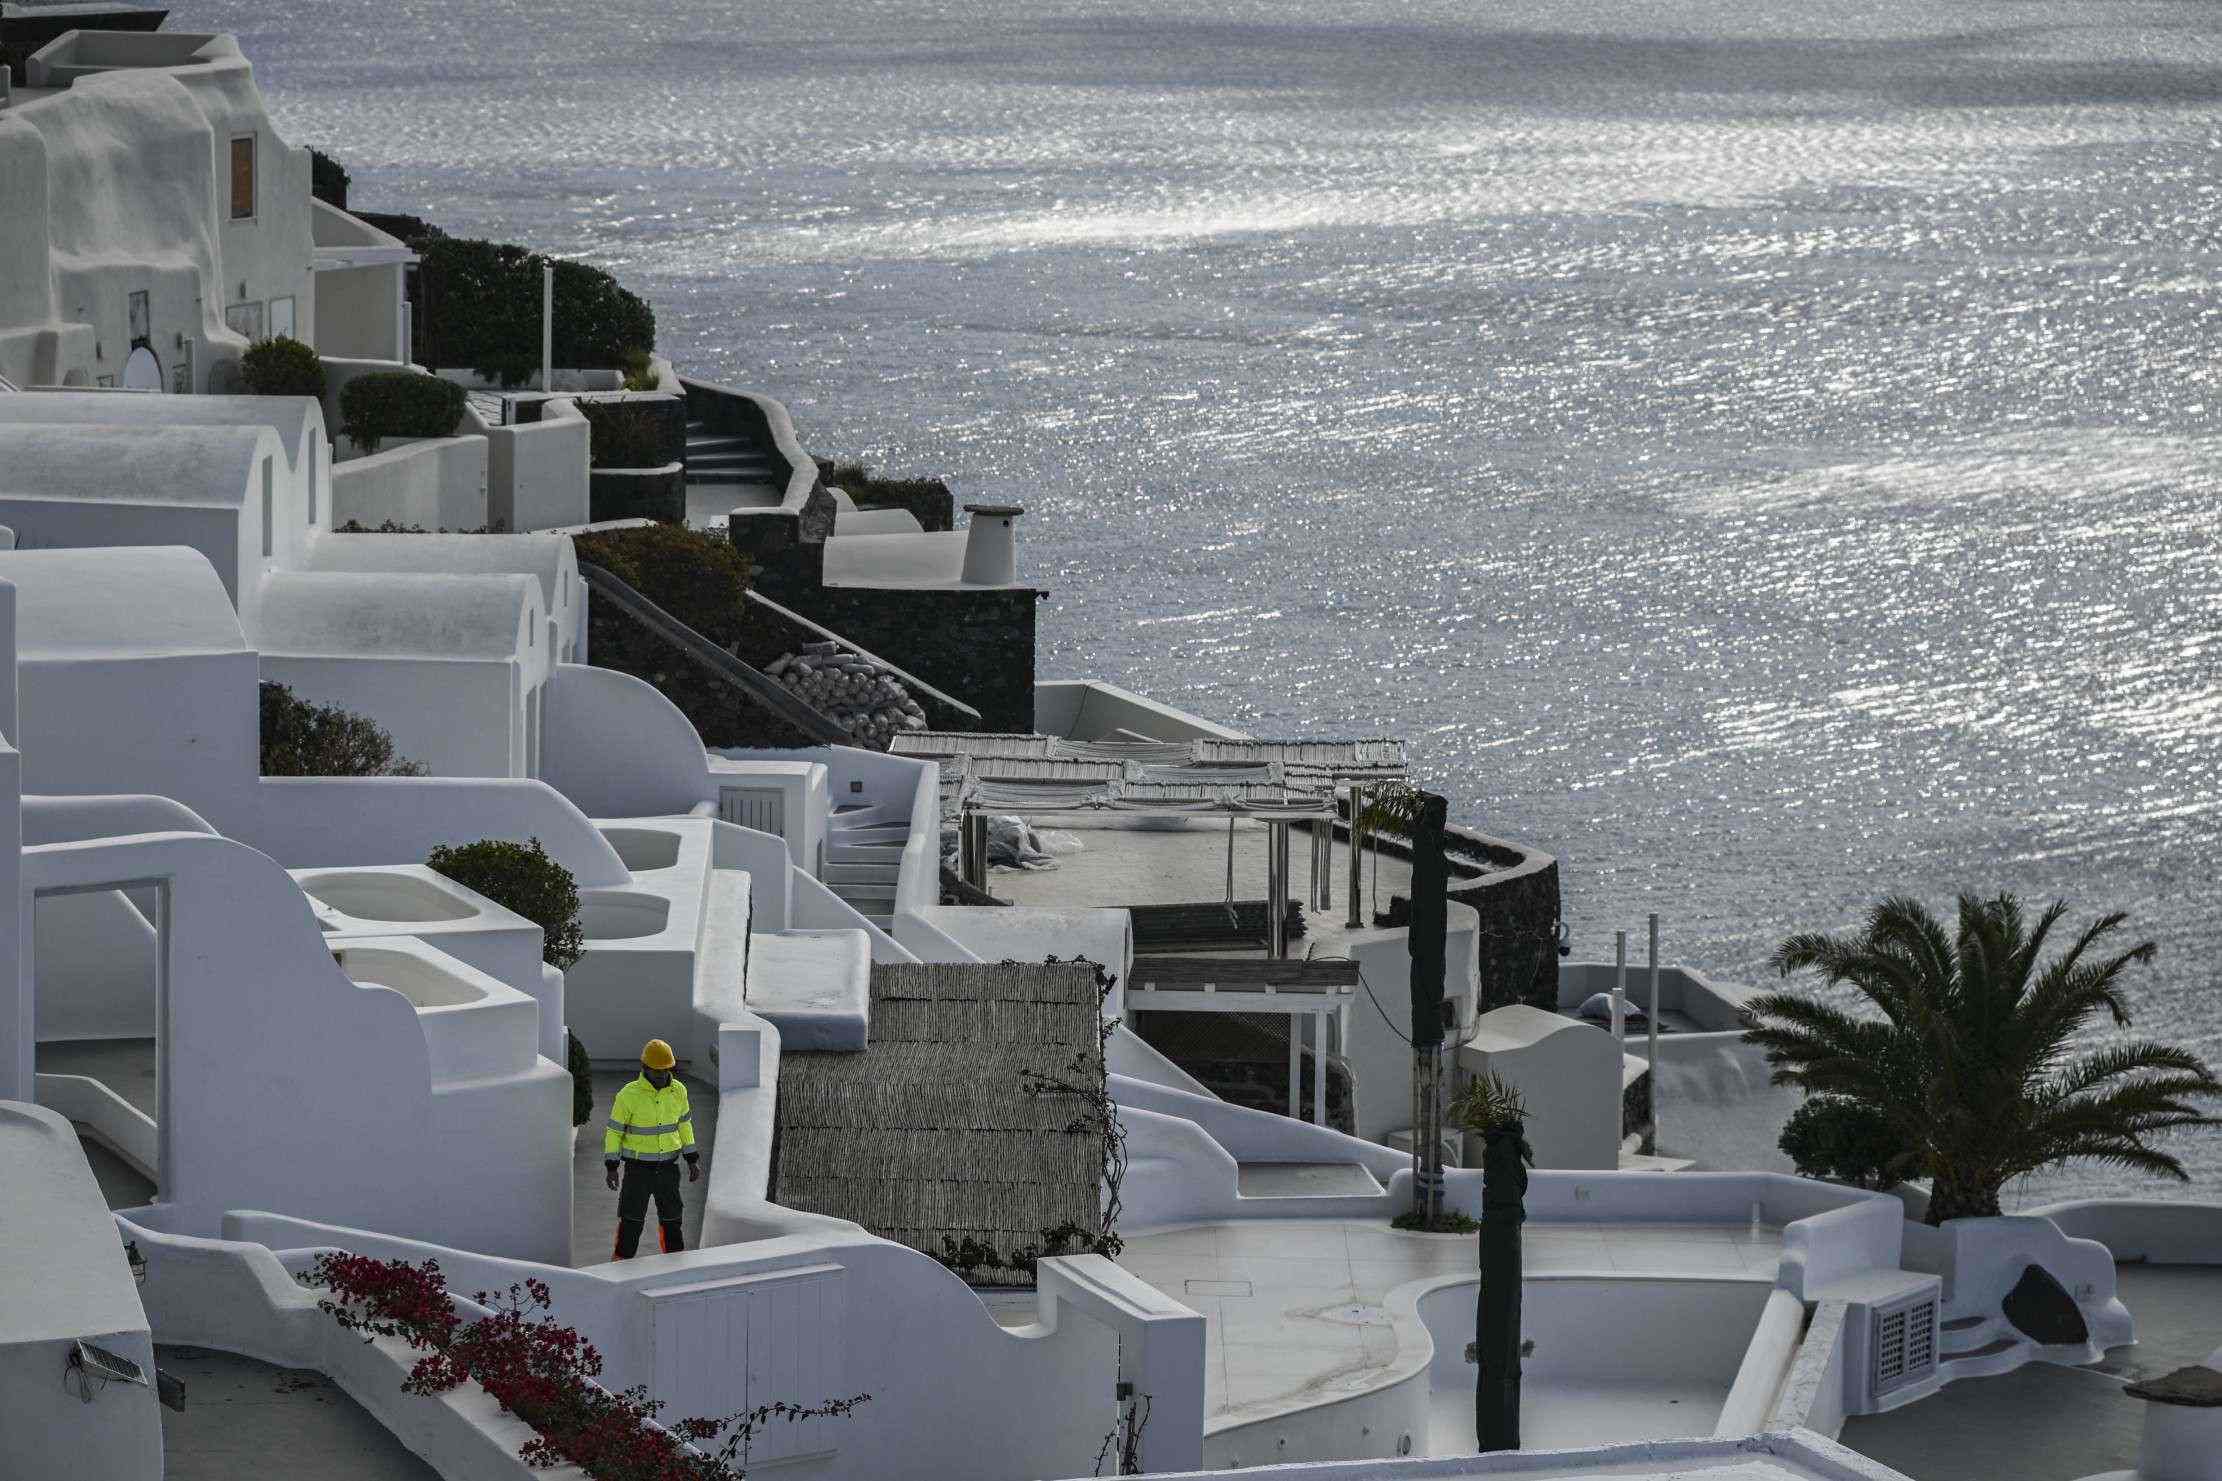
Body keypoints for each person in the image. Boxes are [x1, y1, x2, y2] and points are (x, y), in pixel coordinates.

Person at [604, 1038, 699, 1258]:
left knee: (673, 1221)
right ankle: (620, 1269)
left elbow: (685, 1125)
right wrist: (611, 1166)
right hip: (637, 1171)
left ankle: (675, 1269)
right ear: (644, 1068)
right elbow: (614, 1132)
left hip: (668, 1169)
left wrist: (692, 1159)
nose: (662, 1075)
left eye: (666, 1070)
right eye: (657, 1071)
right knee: (631, 1222)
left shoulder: (679, 1091)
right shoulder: (628, 1095)